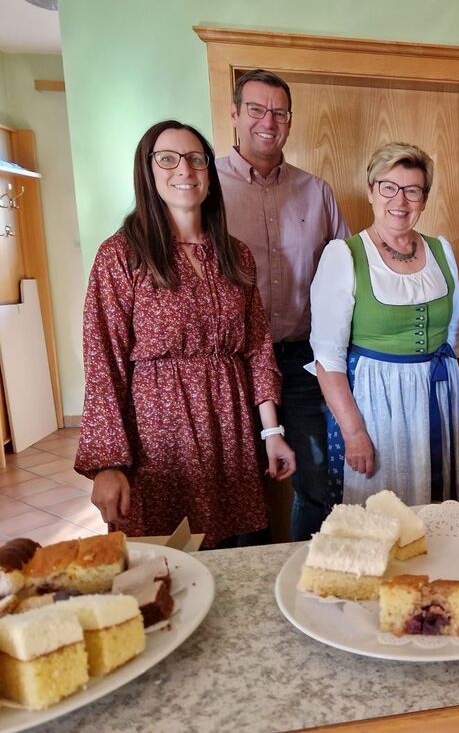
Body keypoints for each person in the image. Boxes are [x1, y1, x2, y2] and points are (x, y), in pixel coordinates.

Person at [75, 120, 296, 548]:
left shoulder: (236, 255)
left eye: (196, 159)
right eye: (168, 159)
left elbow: (257, 349)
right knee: (165, 562)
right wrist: (108, 464)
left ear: (209, 173)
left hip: (231, 430)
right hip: (158, 438)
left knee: (234, 555)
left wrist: (272, 432)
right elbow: (103, 363)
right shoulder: (120, 255)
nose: (184, 170)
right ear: (147, 171)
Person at [216, 69, 349, 541]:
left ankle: (304, 573)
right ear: (234, 115)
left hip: (302, 362)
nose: (268, 121)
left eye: (279, 113)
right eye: (256, 109)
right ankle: (246, 577)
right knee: (239, 490)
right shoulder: (205, 188)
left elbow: (344, 278)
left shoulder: (317, 192)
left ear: (290, 122)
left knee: (318, 481)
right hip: (231, 366)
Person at [308, 142, 459, 505]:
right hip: (377, 402)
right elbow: (328, 360)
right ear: (371, 191)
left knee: (442, 509)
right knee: (384, 506)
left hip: (440, 397)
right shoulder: (344, 256)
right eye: (388, 187)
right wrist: (354, 433)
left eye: (412, 190)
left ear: (424, 199)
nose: (400, 200)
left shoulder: (441, 250)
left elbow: (458, 341)